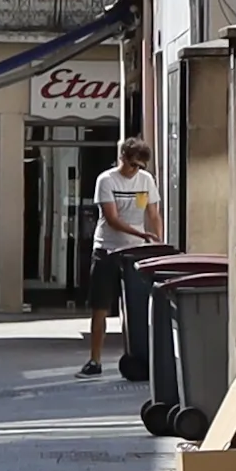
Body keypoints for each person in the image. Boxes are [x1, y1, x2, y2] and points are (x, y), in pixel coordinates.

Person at [81, 137, 163, 376]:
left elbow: (153, 213)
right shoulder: (106, 180)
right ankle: (95, 360)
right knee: (100, 307)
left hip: (135, 251)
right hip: (107, 248)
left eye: (139, 166)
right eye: (131, 164)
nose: (134, 170)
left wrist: (158, 240)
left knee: (137, 306)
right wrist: (141, 233)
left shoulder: (146, 180)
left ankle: (141, 355)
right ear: (122, 158)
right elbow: (112, 219)